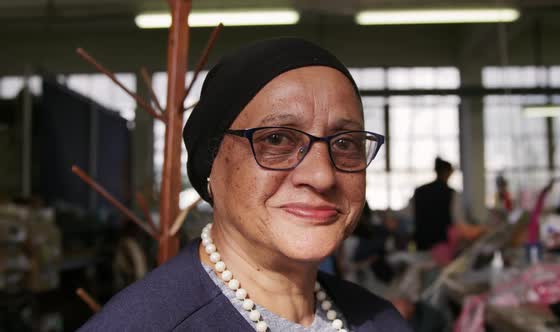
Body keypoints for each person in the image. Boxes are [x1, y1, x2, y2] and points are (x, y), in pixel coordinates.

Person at [79, 38, 411, 331]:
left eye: (344, 143)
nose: (322, 176)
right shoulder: (143, 324)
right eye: (277, 139)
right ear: (210, 164)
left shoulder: (381, 320)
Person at [412, 157, 462, 251]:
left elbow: (410, 213)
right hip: (442, 243)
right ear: (448, 172)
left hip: (422, 241)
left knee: (423, 263)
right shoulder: (451, 193)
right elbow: (457, 219)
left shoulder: (420, 191)